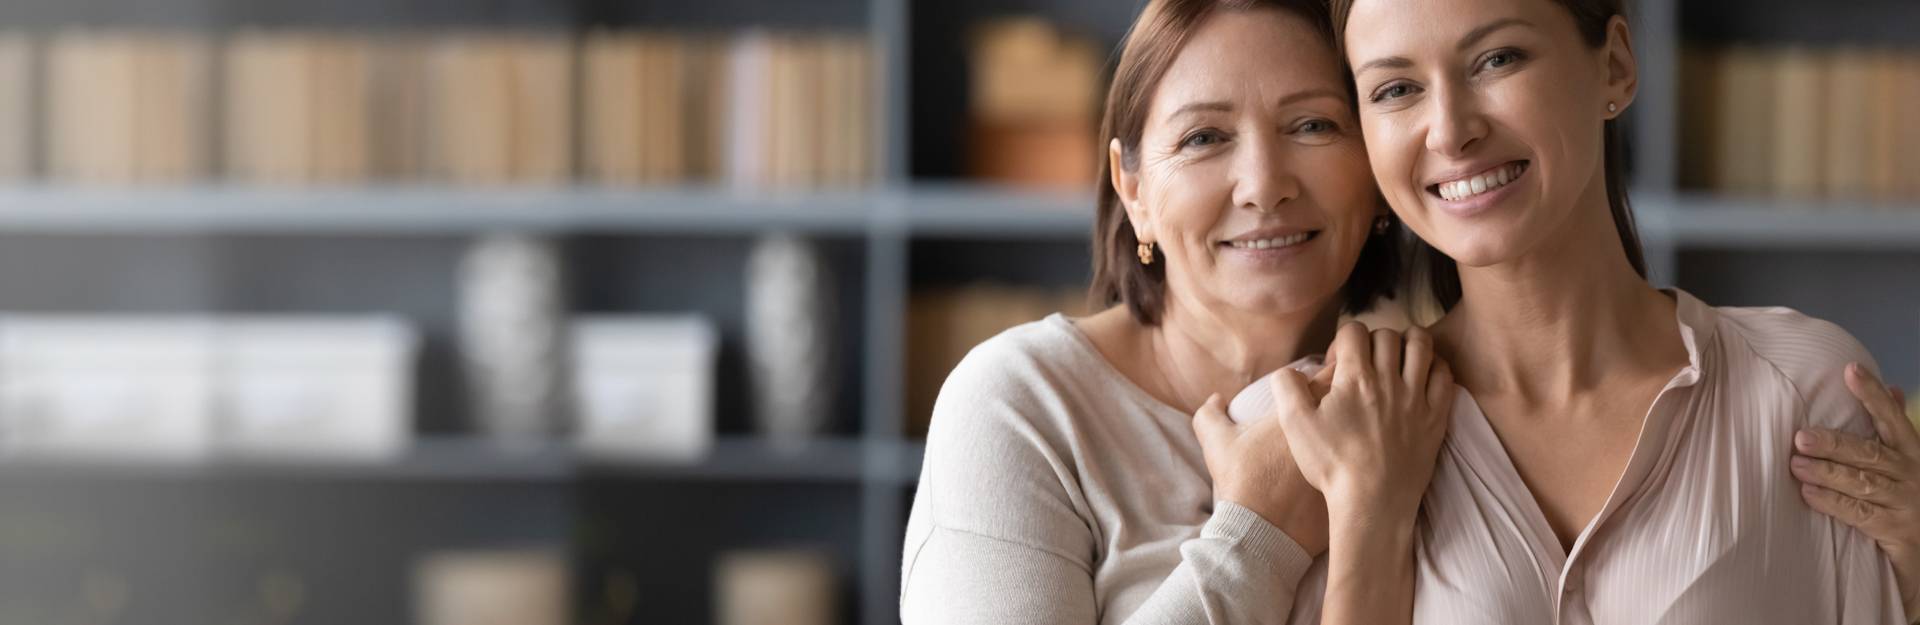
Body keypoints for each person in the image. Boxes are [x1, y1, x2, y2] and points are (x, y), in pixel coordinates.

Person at [1276, 0, 1912, 620]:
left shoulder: (1805, 394)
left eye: (1497, 58)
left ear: (1614, 66)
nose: (1450, 130)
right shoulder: (1317, 429)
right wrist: (1367, 520)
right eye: (1395, 90)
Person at [899, 1, 1446, 622]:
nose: (1264, 185)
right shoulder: (1020, 404)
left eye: (1313, 125)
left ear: (1374, 166)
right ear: (1133, 191)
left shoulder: (1413, 405)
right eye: (1204, 137)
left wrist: (1373, 511)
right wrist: (1258, 534)